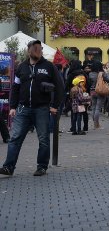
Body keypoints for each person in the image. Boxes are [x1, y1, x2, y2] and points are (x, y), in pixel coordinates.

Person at [0, 40, 64, 177]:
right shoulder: (21, 67)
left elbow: (59, 87)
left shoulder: (49, 66)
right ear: (29, 51)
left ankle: (42, 167)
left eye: (39, 49)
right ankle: (8, 167)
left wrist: (54, 105)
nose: (38, 51)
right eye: (35, 49)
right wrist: (12, 106)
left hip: (42, 109)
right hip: (23, 109)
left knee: (43, 139)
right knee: (15, 138)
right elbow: (15, 88)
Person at [88, 62, 109, 129]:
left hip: (92, 91)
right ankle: (96, 124)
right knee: (98, 108)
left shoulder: (90, 74)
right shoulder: (102, 73)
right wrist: (106, 72)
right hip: (100, 91)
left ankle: (95, 123)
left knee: (94, 107)